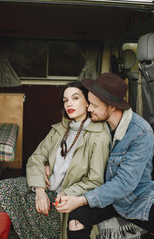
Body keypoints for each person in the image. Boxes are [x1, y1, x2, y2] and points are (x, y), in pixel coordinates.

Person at [0, 81, 110, 239]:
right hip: (42, 189)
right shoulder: (60, 128)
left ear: (88, 102)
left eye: (75, 98)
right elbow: (36, 157)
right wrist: (40, 189)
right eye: (65, 100)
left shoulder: (99, 135)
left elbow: (95, 180)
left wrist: (65, 192)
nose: (69, 103)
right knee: (1, 189)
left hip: (62, 199)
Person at [54, 73, 154, 239]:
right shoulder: (96, 122)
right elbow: (69, 146)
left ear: (112, 107)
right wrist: (50, 164)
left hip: (137, 201)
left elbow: (124, 184)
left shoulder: (141, 133)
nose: (88, 108)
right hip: (105, 198)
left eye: (93, 105)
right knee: (76, 221)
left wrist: (81, 200)